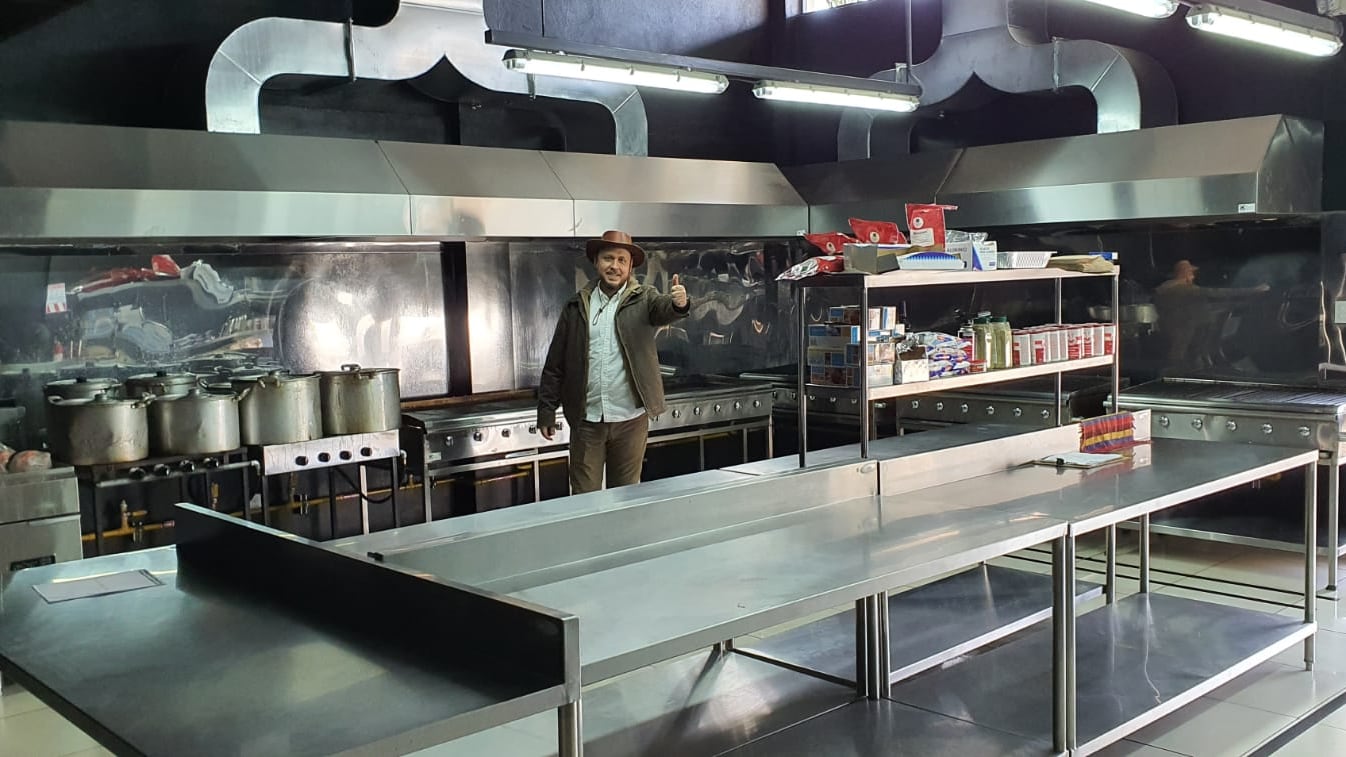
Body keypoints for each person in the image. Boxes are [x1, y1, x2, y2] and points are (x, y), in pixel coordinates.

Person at [537, 230, 690, 494]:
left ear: (630, 267)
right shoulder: (576, 306)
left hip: (631, 420)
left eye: (622, 260)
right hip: (587, 421)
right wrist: (546, 410)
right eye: (608, 258)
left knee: (626, 497)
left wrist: (679, 304)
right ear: (596, 262)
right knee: (584, 498)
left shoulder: (645, 298)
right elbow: (555, 363)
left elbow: (664, 309)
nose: (615, 266)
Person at [1153, 260, 1269, 369]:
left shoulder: (1167, 290)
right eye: (1191, 274)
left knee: (1189, 354)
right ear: (1185, 274)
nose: (1193, 277)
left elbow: (1198, 304)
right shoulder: (1184, 289)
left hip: (1181, 326)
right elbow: (1216, 293)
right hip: (1185, 328)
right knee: (1182, 355)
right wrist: (1253, 290)